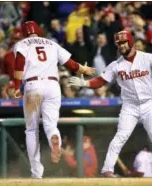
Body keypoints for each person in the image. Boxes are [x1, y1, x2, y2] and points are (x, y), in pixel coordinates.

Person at [68, 30, 152, 177]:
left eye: (123, 42)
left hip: (148, 103)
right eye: (118, 43)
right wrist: (85, 83)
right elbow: (100, 81)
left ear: (131, 42)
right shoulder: (116, 65)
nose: (121, 46)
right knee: (120, 136)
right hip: (129, 106)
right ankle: (107, 169)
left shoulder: (147, 58)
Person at [13, 21, 95, 178]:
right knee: (51, 126)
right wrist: (83, 69)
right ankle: (53, 139)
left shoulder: (22, 43)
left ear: (25, 33)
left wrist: (17, 86)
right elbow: (70, 63)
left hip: (33, 85)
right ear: (39, 30)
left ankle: (36, 173)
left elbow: (19, 65)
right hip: (53, 86)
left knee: (31, 130)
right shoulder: (51, 43)